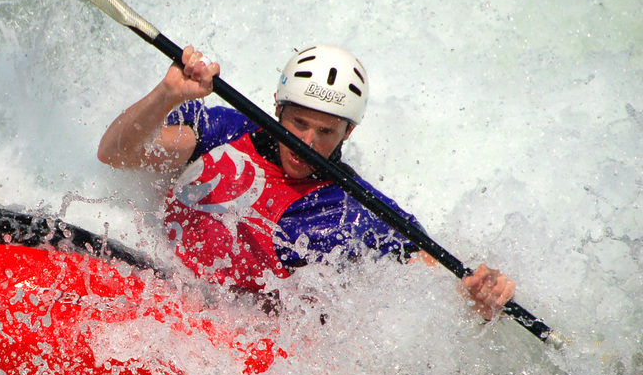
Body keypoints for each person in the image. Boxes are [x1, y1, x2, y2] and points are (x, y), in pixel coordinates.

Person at [98, 44, 515, 320]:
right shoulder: (221, 131)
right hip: (151, 275)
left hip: (218, 329)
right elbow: (114, 154)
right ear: (277, 110)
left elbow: (436, 272)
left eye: (326, 132)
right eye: (298, 123)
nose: (307, 144)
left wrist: (482, 289)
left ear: (347, 133)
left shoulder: (351, 209)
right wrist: (168, 95)